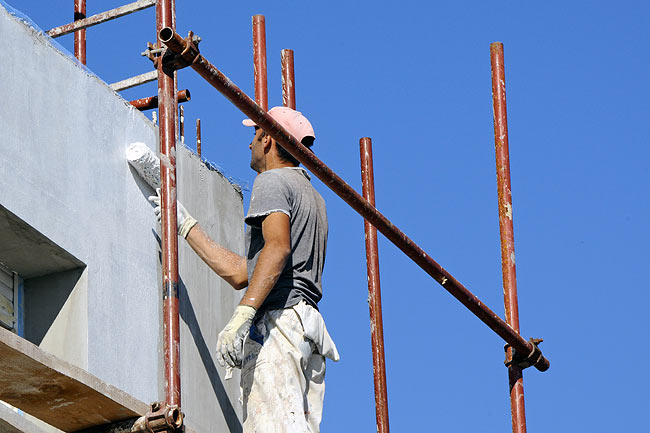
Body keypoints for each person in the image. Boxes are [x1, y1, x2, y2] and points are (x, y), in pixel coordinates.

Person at [150, 106, 339, 433]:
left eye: (254, 135)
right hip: (306, 329)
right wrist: (186, 225)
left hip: (280, 324)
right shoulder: (313, 197)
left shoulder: (271, 181)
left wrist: (243, 315)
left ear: (267, 139)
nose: (249, 144)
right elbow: (245, 273)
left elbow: (277, 249)